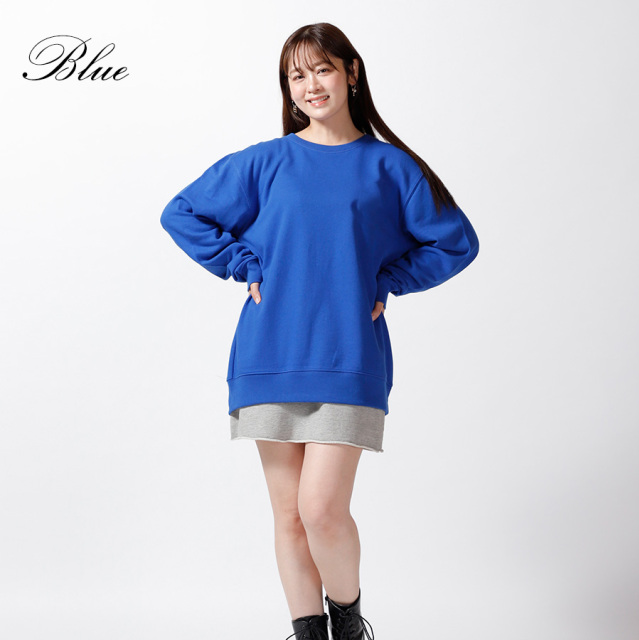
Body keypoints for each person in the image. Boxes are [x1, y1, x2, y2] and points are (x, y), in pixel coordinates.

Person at [160, 21, 479, 640]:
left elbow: (455, 242)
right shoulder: (266, 162)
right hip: (268, 354)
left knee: (321, 510)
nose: (310, 85)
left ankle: (349, 625)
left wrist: (390, 279)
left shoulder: (391, 167)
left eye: (322, 69)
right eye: (296, 76)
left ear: (351, 72)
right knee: (289, 516)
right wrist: (241, 262)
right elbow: (182, 212)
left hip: (348, 356)